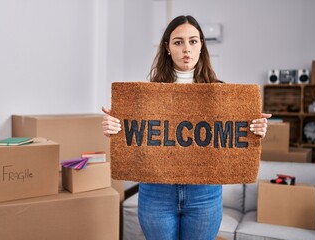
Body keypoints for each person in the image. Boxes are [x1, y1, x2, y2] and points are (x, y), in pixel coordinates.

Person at [102, 15, 271, 240]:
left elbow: (232, 135)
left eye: (192, 41)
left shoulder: (222, 94)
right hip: (156, 192)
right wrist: (115, 127)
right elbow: (135, 135)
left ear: (202, 45)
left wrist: (256, 129)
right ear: (168, 48)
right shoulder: (146, 95)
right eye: (178, 42)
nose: (186, 49)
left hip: (205, 193)